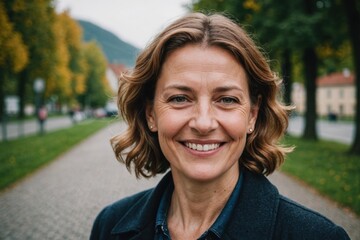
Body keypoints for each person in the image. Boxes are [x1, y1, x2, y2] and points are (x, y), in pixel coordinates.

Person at [90, 13, 350, 240]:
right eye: (180, 98)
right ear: (151, 114)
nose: (203, 123)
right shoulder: (109, 225)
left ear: (252, 115)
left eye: (226, 99)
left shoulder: (317, 236)